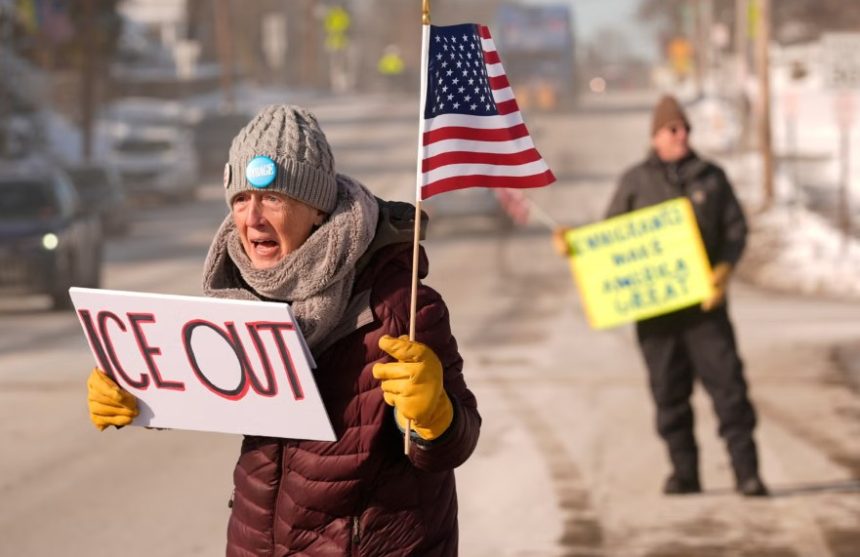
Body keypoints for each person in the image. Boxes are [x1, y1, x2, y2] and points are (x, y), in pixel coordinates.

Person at [86, 104, 482, 554]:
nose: (252, 218)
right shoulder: (240, 299)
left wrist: (436, 418)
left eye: (273, 197)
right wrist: (138, 390)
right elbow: (211, 389)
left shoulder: (398, 306)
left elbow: (456, 444)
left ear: (317, 209)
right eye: (240, 199)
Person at [554, 95, 767, 497]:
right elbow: (610, 241)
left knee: (729, 389)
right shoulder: (636, 181)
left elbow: (735, 231)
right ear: (656, 136)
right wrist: (576, 246)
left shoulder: (711, 177)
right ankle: (684, 474)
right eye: (673, 128)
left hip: (706, 310)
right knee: (669, 393)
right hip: (655, 313)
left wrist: (723, 270)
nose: (682, 134)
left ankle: (747, 474)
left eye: (685, 127)